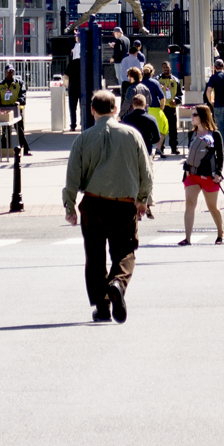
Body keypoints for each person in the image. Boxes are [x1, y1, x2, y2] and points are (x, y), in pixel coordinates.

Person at [63, 90, 154, 323]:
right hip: (123, 205)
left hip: (93, 203)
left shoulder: (83, 139)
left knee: (94, 257)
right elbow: (146, 172)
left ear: (92, 110)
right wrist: (143, 199)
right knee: (125, 251)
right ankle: (118, 283)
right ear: (116, 110)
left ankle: (102, 306)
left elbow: (72, 175)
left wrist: (70, 206)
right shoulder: (132, 135)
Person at [178, 106, 224, 245]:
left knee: (212, 207)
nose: (191, 117)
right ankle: (187, 238)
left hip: (209, 176)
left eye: (194, 115)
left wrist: (218, 173)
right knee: (189, 205)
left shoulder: (215, 134)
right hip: (192, 175)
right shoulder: (191, 134)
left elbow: (220, 156)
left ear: (203, 116)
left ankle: (220, 233)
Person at [0, 65, 28, 157]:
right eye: (8, 72)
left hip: (15, 109)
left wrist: (19, 101)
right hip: (4, 109)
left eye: (12, 72)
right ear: (5, 72)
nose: (10, 74)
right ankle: (4, 150)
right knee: (5, 131)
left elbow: (23, 95)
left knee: (20, 130)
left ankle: (25, 149)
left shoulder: (19, 83)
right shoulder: (0, 85)